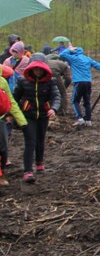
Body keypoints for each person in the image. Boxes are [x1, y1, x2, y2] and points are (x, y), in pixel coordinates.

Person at [12, 53, 61, 183]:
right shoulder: (22, 81)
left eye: (40, 69)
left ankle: (39, 162)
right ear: (31, 68)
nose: (38, 71)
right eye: (35, 68)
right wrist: (11, 114)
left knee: (40, 140)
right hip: (28, 116)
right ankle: (27, 171)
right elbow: (14, 98)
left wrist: (53, 108)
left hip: (43, 116)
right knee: (30, 141)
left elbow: (56, 96)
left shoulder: (51, 81)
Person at [59, 39, 100, 127]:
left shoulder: (73, 58)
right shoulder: (87, 59)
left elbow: (62, 54)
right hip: (88, 82)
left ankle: (80, 119)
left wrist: (69, 49)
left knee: (75, 101)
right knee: (87, 101)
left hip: (79, 82)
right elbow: (98, 65)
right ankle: (88, 120)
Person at [0, 65, 27, 186]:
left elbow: (11, 102)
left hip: (0, 119)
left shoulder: (2, 81)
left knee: (3, 148)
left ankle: (2, 171)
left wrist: (21, 120)